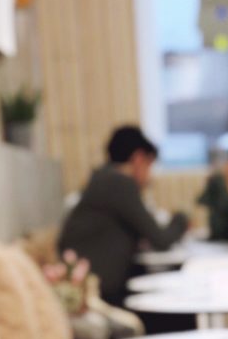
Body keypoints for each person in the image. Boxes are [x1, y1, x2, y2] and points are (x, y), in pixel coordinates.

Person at [58, 126, 189, 305]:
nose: (150, 176)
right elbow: (160, 239)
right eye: (150, 165)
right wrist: (182, 218)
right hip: (104, 294)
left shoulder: (104, 179)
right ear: (138, 158)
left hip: (97, 287)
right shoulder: (118, 183)